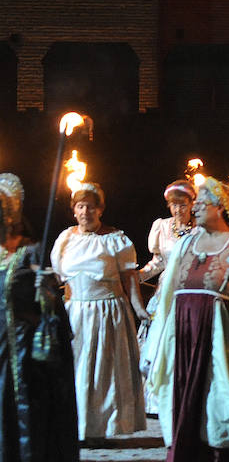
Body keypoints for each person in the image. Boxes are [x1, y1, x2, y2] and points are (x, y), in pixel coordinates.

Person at [141, 176, 229, 462]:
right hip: (183, 348)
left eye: (202, 202)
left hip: (222, 351)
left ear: (220, 208)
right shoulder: (184, 246)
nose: (195, 207)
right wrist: (152, 351)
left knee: (218, 412)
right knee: (185, 413)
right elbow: (166, 302)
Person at [50, 182, 146, 444]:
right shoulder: (65, 239)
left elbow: (130, 279)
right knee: (76, 371)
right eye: (80, 207)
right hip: (74, 313)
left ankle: (99, 430)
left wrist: (140, 310)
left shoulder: (116, 239)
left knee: (102, 373)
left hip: (107, 313)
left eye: (91, 207)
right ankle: (75, 427)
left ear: (100, 209)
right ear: (74, 210)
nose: (85, 212)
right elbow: (57, 277)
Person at [0, 172, 79, 462]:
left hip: (21, 357)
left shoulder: (30, 253)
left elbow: (53, 315)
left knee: (22, 422)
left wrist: (46, 294)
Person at [139, 180, 197, 283]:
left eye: (183, 205)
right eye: (174, 205)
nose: (178, 210)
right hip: (168, 286)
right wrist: (138, 276)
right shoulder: (162, 226)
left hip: (193, 285)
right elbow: (159, 262)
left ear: (191, 205)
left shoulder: (200, 229)